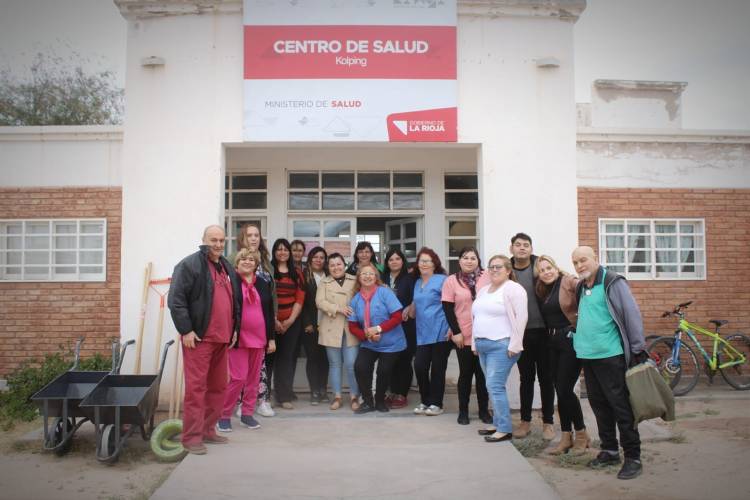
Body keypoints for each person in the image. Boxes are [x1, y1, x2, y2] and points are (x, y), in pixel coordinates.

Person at [571, 246, 648, 480]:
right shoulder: (581, 286)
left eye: (583, 260)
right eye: (575, 262)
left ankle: (633, 457)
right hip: (588, 356)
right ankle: (609, 449)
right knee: (599, 405)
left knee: (620, 406)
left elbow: (631, 314)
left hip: (611, 356)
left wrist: (637, 349)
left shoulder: (613, 282)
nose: (579, 265)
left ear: (595, 258)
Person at [168, 225, 242, 455]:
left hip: (222, 339)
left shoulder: (227, 266)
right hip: (199, 338)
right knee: (196, 389)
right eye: (213, 240)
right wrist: (186, 330)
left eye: (221, 240)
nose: (218, 244)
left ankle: (208, 430)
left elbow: (235, 301)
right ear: (203, 240)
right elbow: (176, 300)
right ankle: (191, 438)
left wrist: (235, 329)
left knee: (218, 387)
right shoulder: (189, 265)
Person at [534, 255, 590, 455]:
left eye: (549, 268)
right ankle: (566, 436)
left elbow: (587, 292)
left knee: (565, 389)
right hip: (552, 343)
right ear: (538, 275)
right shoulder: (543, 290)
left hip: (570, 341)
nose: (546, 272)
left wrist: (579, 326)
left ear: (556, 268)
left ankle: (582, 434)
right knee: (559, 389)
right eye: (542, 270)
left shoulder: (569, 282)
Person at [217, 249, 275, 432]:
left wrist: (271, 338)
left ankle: (247, 414)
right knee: (238, 378)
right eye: (243, 259)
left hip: (259, 338)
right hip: (238, 338)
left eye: (251, 259)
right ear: (236, 262)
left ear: (256, 264)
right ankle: (224, 415)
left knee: (253, 380)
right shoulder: (230, 282)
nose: (247, 262)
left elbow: (269, 312)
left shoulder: (264, 284)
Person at [472, 255, 528, 443]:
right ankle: (497, 423)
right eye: (491, 267)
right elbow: (476, 317)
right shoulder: (484, 290)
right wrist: (474, 342)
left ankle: (504, 429)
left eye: (498, 267)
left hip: (502, 345)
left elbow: (521, 317)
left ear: (508, 270)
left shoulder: (514, 289)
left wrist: (515, 344)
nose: (494, 270)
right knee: (493, 386)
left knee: (494, 386)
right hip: (483, 344)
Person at [510, 232, 555, 440]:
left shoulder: (540, 267)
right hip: (522, 333)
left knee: (546, 379)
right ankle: (525, 421)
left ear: (531, 248)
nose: (522, 248)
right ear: (512, 248)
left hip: (544, 332)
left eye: (526, 245)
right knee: (526, 379)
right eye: (518, 245)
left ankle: (548, 423)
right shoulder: (506, 269)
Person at [441, 247, 492, 425]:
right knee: (465, 374)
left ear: (478, 261)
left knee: (483, 375)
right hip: (463, 334)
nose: (469, 261)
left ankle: (484, 411)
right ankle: (463, 411)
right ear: (459, 261)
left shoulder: (487, 277)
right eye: (465, 257)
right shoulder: (451, 281)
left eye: (473, 258)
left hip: (485, 334)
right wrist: (456, 332)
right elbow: (447, 308)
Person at [349, 263, 407, 413]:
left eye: (371, 273)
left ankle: (380, 401)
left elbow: (397, 317)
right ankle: (368, 402)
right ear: (359, 278)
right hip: (370, 343)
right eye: (364, 274)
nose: (367, 276)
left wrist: (378, 328)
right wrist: (366, 336)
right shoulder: (355, 299)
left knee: (383, 370)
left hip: (391, 342)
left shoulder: (385, 293)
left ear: (376, 277)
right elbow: (353, 325)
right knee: (360, 367)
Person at [234, 222, 276, 418]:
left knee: (261, 367)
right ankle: (242, 404)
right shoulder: (233, 261)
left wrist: (272, 321)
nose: (253, 238)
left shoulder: (265, 262)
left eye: (256, 235)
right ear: (242, 238)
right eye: (249, 235)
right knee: (241, 370)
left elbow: (270, 297)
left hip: (260, 326)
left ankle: (262, 401)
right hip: (241, 329)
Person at [408, 247, 451, 416]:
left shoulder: (442, 280)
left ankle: (436, 403)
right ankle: (425, 400)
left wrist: (451, 328)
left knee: (438, 369)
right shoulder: (418, 282)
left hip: (441, 330)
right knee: (420, 366)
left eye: (428, 261)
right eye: (421, 261)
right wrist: (409, 308)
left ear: (435, 264)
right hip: (423, 332)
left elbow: (450, 304)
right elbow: (417, 302)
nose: (424, 264)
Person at [316, 253, 361, 411]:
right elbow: (320, 302)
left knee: (351, 364)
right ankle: (337, 396)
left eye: (339, 264)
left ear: (344, 264)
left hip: (351, 327)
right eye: (332, 265)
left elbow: (363, 298)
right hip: (331, 327)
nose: (336, 267)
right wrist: (338, 309)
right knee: (335, 364)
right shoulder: (324, 282)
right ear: (328, 267)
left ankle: (355, 396)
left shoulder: (355, 280)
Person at [271, 238, 306, 410]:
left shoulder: (297, 272)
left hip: (292, 323)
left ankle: (283, 396)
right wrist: (275, 320)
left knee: (285, 360)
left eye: (285, 249)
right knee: (269, 360)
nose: (282, 252)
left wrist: (290, 320)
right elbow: (265, 297)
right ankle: (265, 396)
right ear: (274, 252)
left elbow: (300, 297)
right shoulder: (268, 269)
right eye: (279, 249)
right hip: (271, 322)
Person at [381, 248, 416, 409]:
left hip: (405, 324)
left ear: (402, 261)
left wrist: (410, 306)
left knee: (404, 360)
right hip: (386, 325)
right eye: (390, 259)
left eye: (397, 259)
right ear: (386, 263)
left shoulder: (410, 279)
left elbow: (416, 299)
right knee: (389, 360)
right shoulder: (381, 278)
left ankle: (402, 394)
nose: (394, 262)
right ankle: (392, 392)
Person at [301, 246, 330, 405]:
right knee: (312, 358)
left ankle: (323, 390)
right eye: (316, 257)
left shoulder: (329, 276)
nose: (319, 260)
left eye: (322, 257)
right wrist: (307, 323)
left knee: (325, 359)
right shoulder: (305, 276)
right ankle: (314, 391)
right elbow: (302, 302)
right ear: (310, 258)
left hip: (327, 324)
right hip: (310, 325)